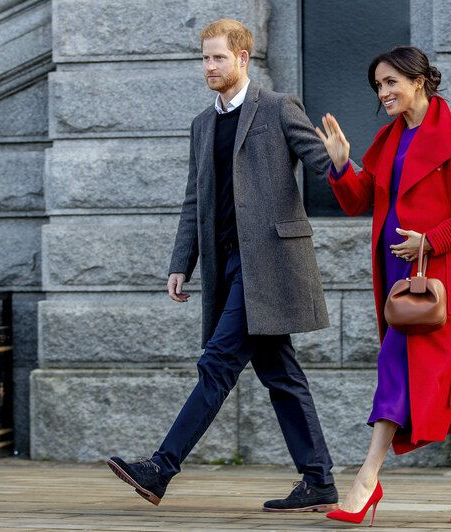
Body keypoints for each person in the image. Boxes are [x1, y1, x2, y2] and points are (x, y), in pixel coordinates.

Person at [107, 18, 338, 512]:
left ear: (242, 58)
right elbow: (195, 199)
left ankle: (161, 467)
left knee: (217, 363)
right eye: (205, 58)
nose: (209, 66)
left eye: (218, 57)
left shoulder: (277, 108)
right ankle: (319, 480)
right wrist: (181, 262)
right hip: (227, 265)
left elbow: (323, 164)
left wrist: (341, 162)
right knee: (280, 374)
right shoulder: (202, 124)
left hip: (270, 264)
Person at [315, 46, 451, 525]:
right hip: (399, 273)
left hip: (445, 270)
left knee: (396, 362)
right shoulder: (388, 138)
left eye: (391, 82)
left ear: (418, 80)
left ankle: (366, 480)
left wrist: (433, 239)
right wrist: (341, 165)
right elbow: (358, 201)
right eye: (378, 86)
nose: (383, 93)